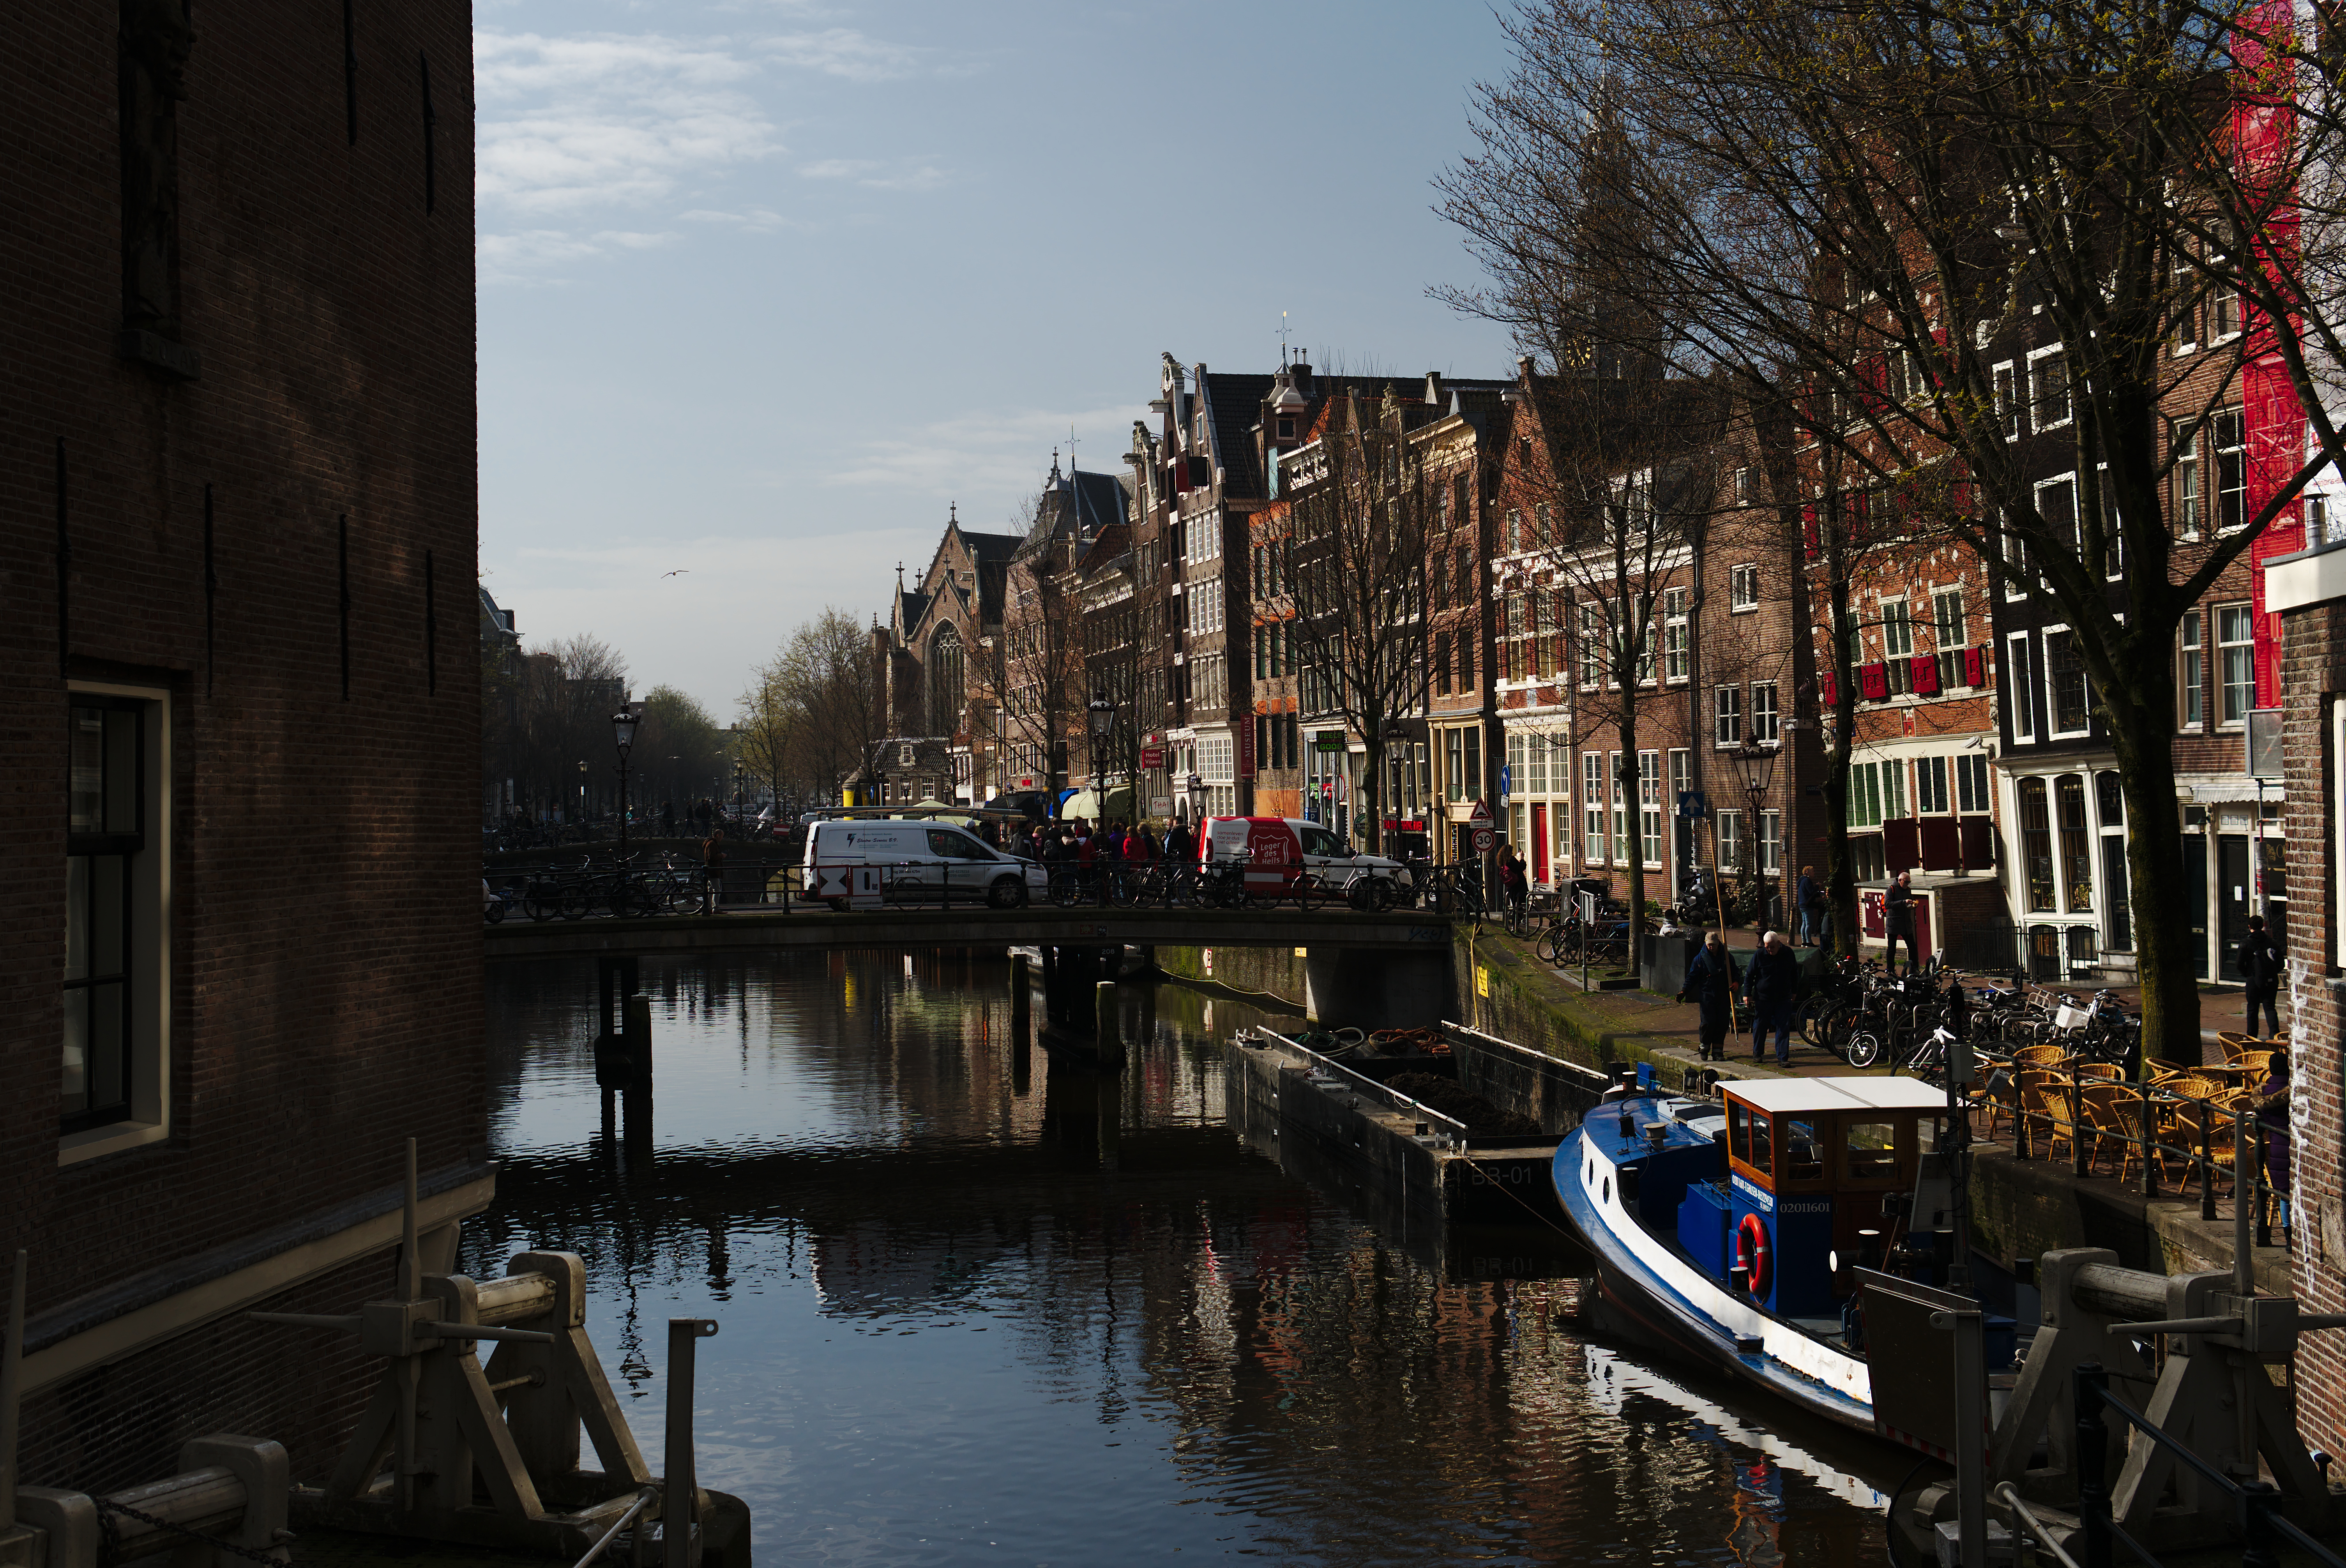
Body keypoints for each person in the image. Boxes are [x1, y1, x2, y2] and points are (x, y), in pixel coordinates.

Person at [1679, 931, 1742, 1062]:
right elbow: (1692, 977)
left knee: (1722, 1023)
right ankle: (1704, 1047)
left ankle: (1718, 1051)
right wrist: (1684, 992)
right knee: (1708, 1023)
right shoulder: (1700, 959)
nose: (1711, 947)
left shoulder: (1727, 957)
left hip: (1723, 995)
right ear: (1706, 944)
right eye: (1709, 945)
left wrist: (1736, 982)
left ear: (1718, 943)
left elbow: (1735, 972)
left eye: (1713, 945)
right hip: (1707, 996)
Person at [2249, 1045, 2293, 1227]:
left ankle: (2288, 1236)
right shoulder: (2293, 1092)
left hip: (2275, 1147)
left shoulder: (2263, 1094)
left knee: (2284, 1194)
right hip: (2293, 1147)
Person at [1745, 929, 1801, 1066]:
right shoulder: (1759, 955)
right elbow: (1750, 975)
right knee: (1760, 1026)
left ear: (1779, 943)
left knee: (1783, 1027)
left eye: (1772, 947)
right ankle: (1757, 1053)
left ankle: (1783, 1058)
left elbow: (1795, 973)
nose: (1770, 950)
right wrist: (1747, 994)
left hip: (1783, 997)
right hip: (1763, 997)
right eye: (1767, 947)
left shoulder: (1788, 953)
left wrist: (1794, 991)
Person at [2238, 914, 2283, 1039]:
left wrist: (2248, 974)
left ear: (2250, 927)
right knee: (2270, 1007)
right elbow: (2281, 963)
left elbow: (2239, 964)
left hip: (2253, 980)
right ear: (2263, 926)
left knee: (2252, 1009)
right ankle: (2275, 1036)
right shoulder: (2272, 942)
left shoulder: (2246, 943)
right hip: (2271, 980)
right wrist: (2272, 972)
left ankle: (2252, 1037)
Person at [1882, 870, 1919, 976]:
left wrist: (1912, 905)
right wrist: (1904, 902)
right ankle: (1890, 970)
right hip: (1893, 923)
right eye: (1906, 882)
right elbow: (1888, 904)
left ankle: (1914, 969)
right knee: (1892, 948)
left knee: (1912, 946)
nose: (1908, 884)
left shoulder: (1908, 890)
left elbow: (1909, 903)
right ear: (1900, 880)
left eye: (1909, 882)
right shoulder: (1891, 890)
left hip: (1906, 923)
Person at [701, 825, 727, 914]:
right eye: (722, 837)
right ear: (718, 836)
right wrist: (721, 855)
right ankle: (715, 909)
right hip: (713, 870)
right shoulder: (712, 844)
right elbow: (712, 857)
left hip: (710, 870)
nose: (722, 839)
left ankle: (709, 907)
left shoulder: (710, 843)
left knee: (710, 890)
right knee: (717, 890)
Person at [1795, 865, 1822, 946]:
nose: (1814, 873)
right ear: (1807, 872)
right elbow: (1812, 892)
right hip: (1807, 905)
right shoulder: (1807, 880)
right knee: (1808, 924)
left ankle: (1804, 942)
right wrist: (1817, 886)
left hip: (1802, 905)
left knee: (1804, 923)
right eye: (1813, 871)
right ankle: (1809, 941)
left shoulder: (1802, 880)